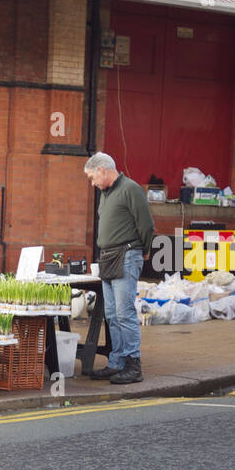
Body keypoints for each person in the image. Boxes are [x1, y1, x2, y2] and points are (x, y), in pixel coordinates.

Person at [84, 152, 154, 385]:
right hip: (108, 257)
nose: (92, 183)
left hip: (126, 254)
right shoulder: (105, 194)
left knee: (124, 314)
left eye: (92, 177)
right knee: (112, 315)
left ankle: (134, 365)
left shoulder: (130, 189)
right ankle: (117, 363)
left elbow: (146, 223)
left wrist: (144, 250)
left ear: (102, 170)